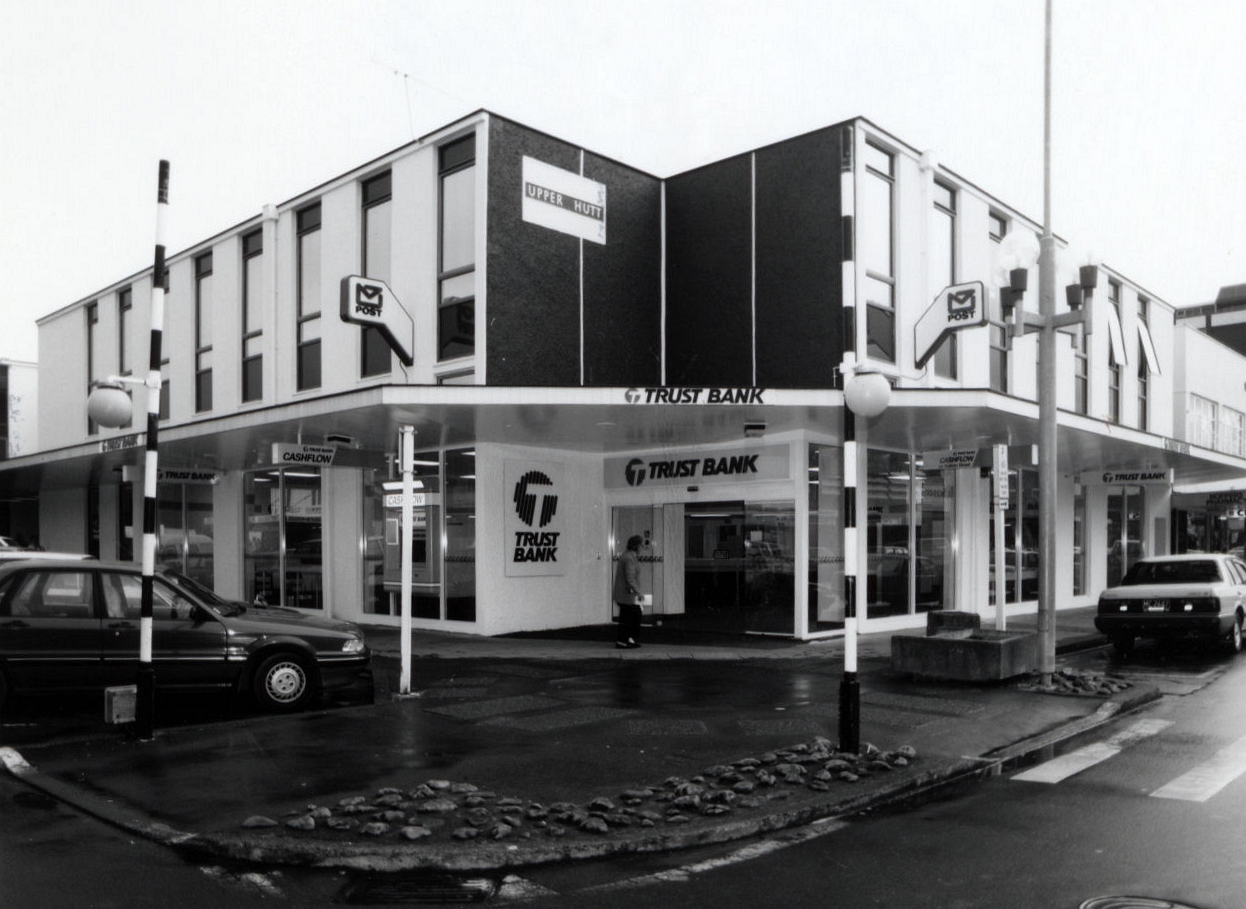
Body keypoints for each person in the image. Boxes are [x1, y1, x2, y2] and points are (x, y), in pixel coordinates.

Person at [613, 534, 645, 648]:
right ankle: (623, 641)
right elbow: (630, 578)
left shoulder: (629, 556)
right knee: (632, 616)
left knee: (629, 617)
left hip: (625, 594)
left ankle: (626, 639)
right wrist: (639, 593)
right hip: (626, 595)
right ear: (636, 546)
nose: (642, 547)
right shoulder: (629, 558)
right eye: (641, 545)